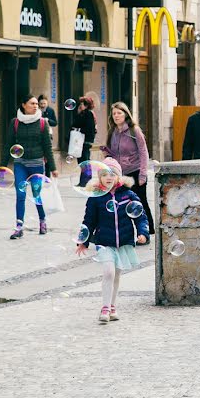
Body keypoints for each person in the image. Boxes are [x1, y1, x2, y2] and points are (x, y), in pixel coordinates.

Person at [76, 157, 150, 324]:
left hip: (123, 241)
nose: (109, 177)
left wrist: (143, 232)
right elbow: (89, 221)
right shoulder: (95, 197)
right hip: (104, 241)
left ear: (119, 176)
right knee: (108, 272)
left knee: (116, 275)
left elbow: (140, 215)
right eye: (105, 174)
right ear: (100, 177)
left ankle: (112, 306)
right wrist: (83, 241)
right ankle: (105, 307)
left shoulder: (128, 194)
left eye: (113, 174)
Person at [4, 94, 58, 239]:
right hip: (20, 163)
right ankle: (18, 227)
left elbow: (47, 146)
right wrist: (3, 166)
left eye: (36, 104)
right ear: (23, 105)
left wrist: (53, 168)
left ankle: (42, 220)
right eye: (32, 103)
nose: (35, 106)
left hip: (37, 164)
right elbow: (8, 144)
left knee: (36, 195)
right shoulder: (15, 122)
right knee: (20, 195)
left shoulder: (42, 123)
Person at [101, 102, 154, 236]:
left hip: (135, 172)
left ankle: (147, 231)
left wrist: (143, 174)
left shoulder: (133, 130)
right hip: (120, 175)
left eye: (119, 113)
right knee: (123, 204)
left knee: (140, 202)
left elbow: (143, 152)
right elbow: (113, 153)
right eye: (114, 113)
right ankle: (126, 233)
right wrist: (107, 152)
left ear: (125, 114)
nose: (116, 116)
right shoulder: (112, 132)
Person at [72, 96, 97, 186]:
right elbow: (74, 124)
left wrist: (79, 129)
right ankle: (83, 181)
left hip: (85, 141)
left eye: (82, 104)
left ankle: (86, 181)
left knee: (84, 161)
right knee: (82, 161)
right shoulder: (83, 113)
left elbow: (89, 128)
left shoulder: (89, 114)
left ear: (86, 105)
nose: (80, 105)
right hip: (80, 140)